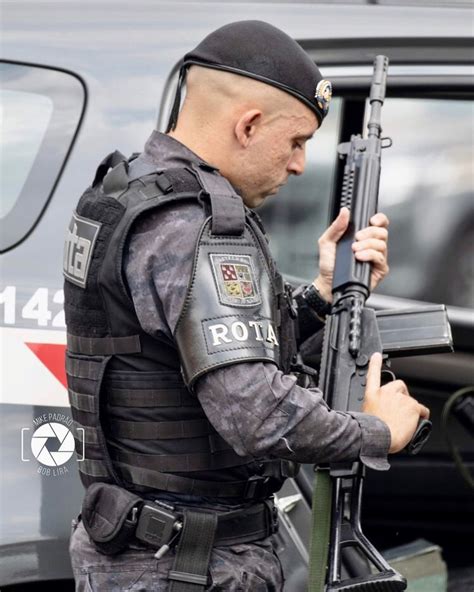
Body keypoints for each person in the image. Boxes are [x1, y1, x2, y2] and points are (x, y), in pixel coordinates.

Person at [65, 20, 430, 592]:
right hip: (188, 567)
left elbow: (179, 347)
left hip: (144, 552)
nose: (299, 165)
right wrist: (379, 432)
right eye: (296, 142)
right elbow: (257, 416)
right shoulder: (196, 225)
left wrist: (318, 298)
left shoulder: (126, 193)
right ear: (249, 124)